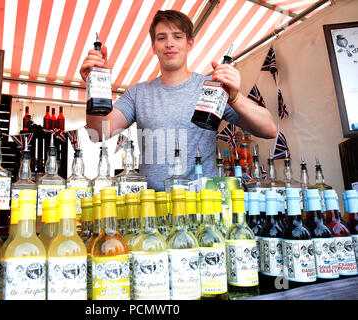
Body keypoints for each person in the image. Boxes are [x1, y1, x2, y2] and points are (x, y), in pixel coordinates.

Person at [80, 10, 277, 191]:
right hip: (153, 209)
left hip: (203, 207)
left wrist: (234, 97)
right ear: (154, 47)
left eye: (177, 36)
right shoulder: (138, 93)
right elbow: (98, 133)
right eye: (161, 38)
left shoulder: (213, 88)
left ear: (189, 43)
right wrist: (92, 86)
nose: (169, 43)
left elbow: (269, 130)